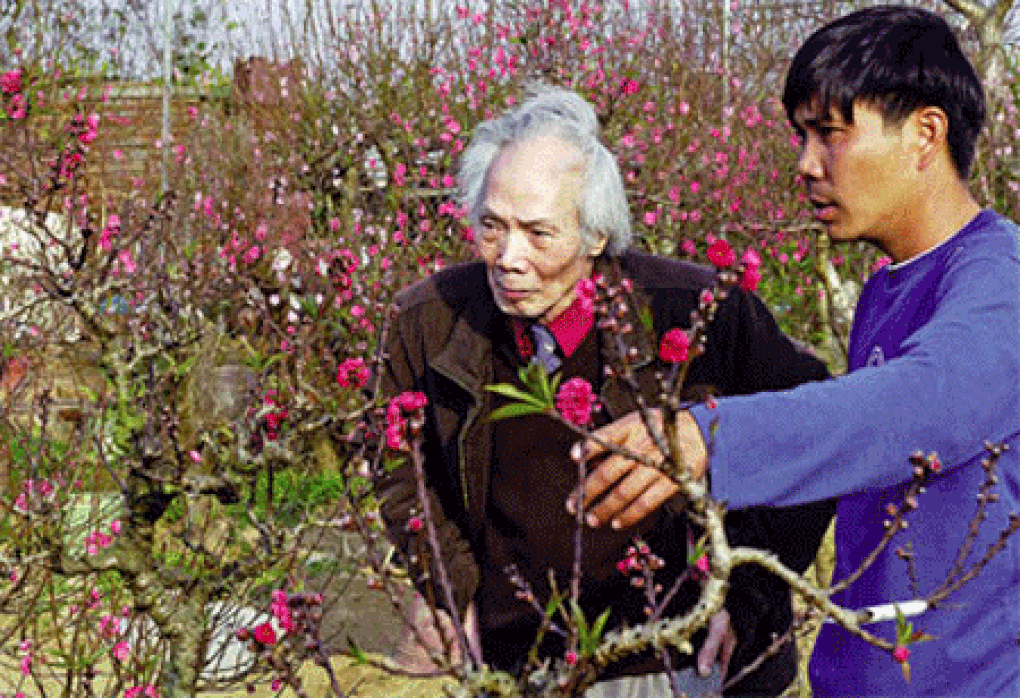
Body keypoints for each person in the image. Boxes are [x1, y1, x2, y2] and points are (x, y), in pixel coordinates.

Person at [574, 7, 1019, 697]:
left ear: (925, 134)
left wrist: (710, 437)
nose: (805, 164)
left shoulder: (1000, 281)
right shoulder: (885, 289)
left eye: (830, 134)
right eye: (801, 136)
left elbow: (924, 404)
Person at [376, 84, 835, 696]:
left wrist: (749, 598)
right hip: (523, 659)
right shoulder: (427, 322)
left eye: (538, 233)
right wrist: (449, 587)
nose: (508, 257)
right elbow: (400, 467)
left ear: (595, 238)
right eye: (491, 226)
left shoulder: (696, 312)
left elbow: (813, 432)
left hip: (684, 657)